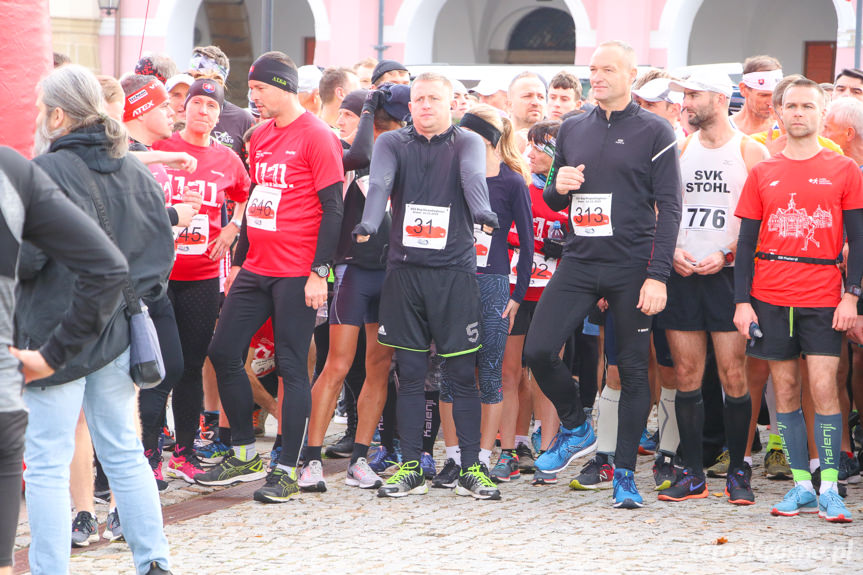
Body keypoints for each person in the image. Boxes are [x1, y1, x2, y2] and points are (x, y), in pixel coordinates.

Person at [18, 64, 175, 575]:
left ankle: (49, 569)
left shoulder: (41, 174)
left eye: (43, 108)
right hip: (116, 330)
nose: (39, 117)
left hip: (54, 336)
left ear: (58, 115)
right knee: (124, 452)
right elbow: (160, 256)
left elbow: (26, 260)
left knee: (47, 461)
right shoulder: (135, 169)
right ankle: (154, 562)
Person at [523, 41, 682, 509]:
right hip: (579, 260)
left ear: (631, 74)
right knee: (537, 349)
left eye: (608, 69)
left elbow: (670, 206)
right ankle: (577, 425)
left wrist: (658, 276)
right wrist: (560, 184)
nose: (598, 76)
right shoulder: (573, 127)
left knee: (631, 370)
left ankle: (626, 475)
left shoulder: (655, 129)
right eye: (593, 70)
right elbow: (554, 198)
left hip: (631, 265)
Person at [198, 51, 344, 504]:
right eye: (252, 89)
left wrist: (321, 272)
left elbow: (334, 209)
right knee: (223, 351)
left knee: (291, 364)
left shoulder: (319, 136)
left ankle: (285, 468)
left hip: (298, 270)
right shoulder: (258, 135)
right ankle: (243, 448)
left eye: (260, 89)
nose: (253, 97)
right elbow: (256, 200)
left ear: (283, 87)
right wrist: (240, 257)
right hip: (257, 265)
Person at [353, 72, 501, 499]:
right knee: (410, 373)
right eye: (418, 99)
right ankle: (413, 464)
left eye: (434, 99)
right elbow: (379, 182)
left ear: (452, 103)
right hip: (404, 272)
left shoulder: (467, 142)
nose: (425, 106)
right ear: (410, 105)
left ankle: (471, 467)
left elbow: (473, 179)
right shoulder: (392, 143)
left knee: (460, 374)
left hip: (453, 274)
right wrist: (368, 220)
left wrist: (482, 211)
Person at [733, 78, 862, 523]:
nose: (800, 113)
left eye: (809, 106)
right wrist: (741, 303)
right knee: (783, 390)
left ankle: (829, 485)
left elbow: (859, 240)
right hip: (769, 295)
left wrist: (853, 295)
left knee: (825, 388)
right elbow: (746, 242)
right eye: (792, 106)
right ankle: (800, 486)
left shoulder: (844, 168)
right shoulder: (763, 171)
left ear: (822, 113)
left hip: (824, 293)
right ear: (779, 113)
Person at [0, 145, 128, 575]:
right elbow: (115, 264)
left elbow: (36, 258)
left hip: (51, 331)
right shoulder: (18, 167)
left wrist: (53, 353)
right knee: (109, 444)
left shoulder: (29, 168)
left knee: (54, 454)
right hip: (89, 332)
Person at [654, 71, 768, 505]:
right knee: (686, 375)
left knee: (733, 375)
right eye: (683, 94)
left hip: (727, 276)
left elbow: (763, 220)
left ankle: (739, 467)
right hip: (682, 273)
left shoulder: (749, 150)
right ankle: (693, 471)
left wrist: (730, 252)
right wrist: (673, 252)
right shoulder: (680, 148)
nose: (685, 102)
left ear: (720, 98)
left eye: (693, 94)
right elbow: (660, 208)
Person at [300, 84, 410, 492]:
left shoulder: (405, 152)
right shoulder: (344, 154)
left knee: (379, 366)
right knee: (338, 364)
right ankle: (309, 458)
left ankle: (361, 458)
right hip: (352, 271)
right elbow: (361, 152)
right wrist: (365, 110)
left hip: (392, 273)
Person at [152, 75, 250, 483]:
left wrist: (234, 228)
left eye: (212, 107)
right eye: (197, 104)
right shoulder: (160, 150)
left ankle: (184, 451)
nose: (203, 112)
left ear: (219, 116)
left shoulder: (227, 159)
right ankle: (152, 450)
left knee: (192, 364)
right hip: (160, 275)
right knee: (157, 367)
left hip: (203, 276)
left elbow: (245, 194)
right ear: (184, 108)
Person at [438, 104, 533, 480]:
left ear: (486, 140)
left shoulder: (511, 182)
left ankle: (481, 457)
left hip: (493, 284)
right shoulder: (454, 175)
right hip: (454, 283)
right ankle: (452, 456)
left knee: (491, 371)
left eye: (467, 136)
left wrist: (517, 294)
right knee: (450, 370)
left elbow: (527, 243)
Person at [730, 55, 783, 135]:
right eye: (764, 95)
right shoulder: (722, 128)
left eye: (776, 95)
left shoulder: (785, 130)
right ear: (743, 89)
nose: (771, 103)